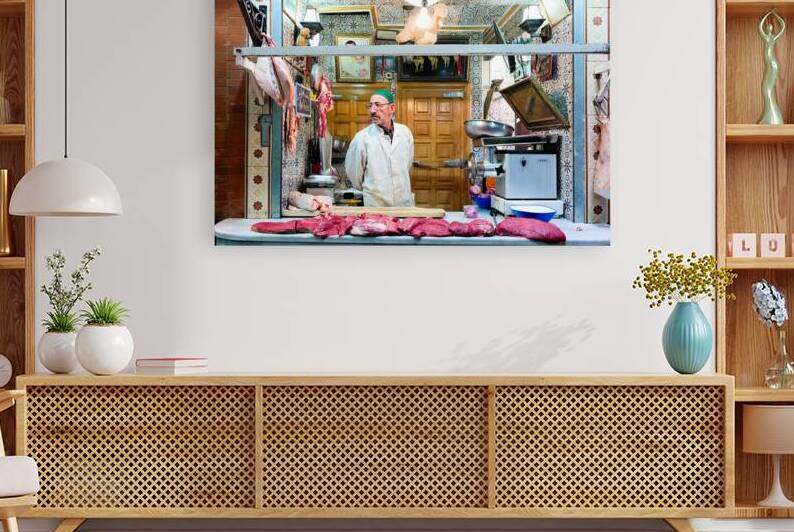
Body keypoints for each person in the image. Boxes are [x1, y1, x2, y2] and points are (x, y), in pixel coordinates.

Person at [344, 89, 415, 207]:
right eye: (370, 105)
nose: (372, 110)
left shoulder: (405, 133)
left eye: (378, 105)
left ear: (392, 108)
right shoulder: (362, 138)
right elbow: (354, 174)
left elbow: (407, 164)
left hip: (403, 201)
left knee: (404, 225)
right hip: (376, 203)